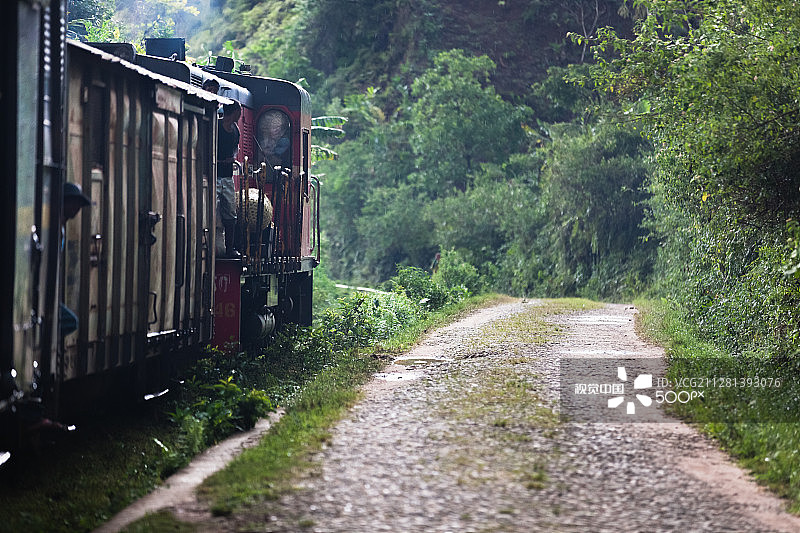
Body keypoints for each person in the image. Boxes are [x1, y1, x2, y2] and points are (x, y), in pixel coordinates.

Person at [60, 182, 91, 337]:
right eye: (74, 203)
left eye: (79, 205)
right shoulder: (56, 226)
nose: (77, 209)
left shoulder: (61, 226)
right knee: (69, 322)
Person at [217, 100, 241, 259]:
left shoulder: (235, 130)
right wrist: (219, 162)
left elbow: (235, 149)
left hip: (227, 177)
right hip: (213, 175)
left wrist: (232, 159)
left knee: (231, 213)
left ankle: (230, 247)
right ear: (233, 112)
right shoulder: (215, 126)